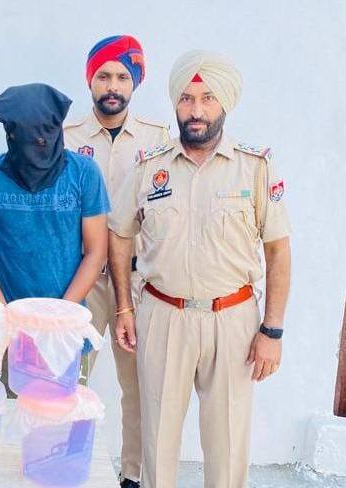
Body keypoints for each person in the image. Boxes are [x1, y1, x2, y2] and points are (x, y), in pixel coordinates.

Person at [109, 50, 292, 488]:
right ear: (175, 103)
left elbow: (278, 251)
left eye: (207, 98)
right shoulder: (149, 166)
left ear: (224, 103)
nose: (196, 110)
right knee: (157, 441)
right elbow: (119, 235)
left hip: (233, 322)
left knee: (227, 444)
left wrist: (272, 331)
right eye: (187, 99)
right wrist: (124, 308)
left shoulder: (255, 167)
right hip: (163, 316)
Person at [63, 34, 169, 488]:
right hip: (80, 279)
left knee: (138, 386)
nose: (112, 86)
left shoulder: (157, 139)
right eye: (103, 75)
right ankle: (64, 464)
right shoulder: (66, 137)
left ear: (135, 83)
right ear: (90, 80)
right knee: (69, 380)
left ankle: (132, 475)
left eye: (122, 77)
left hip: (136, 283)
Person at [0, 83, 110, 391]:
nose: (35, 150)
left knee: (61, 414)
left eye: (42, 140)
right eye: (26, 142)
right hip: (10, 330)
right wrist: (6, 314)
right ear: (10, 135)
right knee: (11, 414)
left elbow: (96, 252)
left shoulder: (83, 173)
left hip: (66, 328)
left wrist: (59, 317)